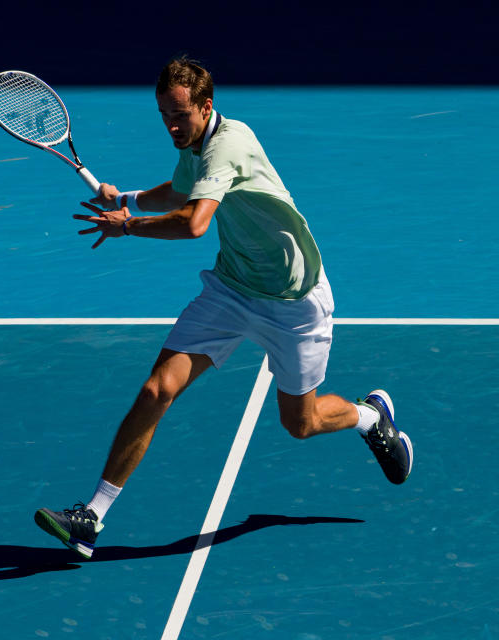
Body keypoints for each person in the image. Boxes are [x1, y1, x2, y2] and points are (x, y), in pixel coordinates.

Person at [34, 57, 413, 560]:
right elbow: (180, 188)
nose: (171, 125)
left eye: (180, 115)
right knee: (156, 389)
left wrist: (127, 226)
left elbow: (194, 223)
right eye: (164, 114)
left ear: (206, 106)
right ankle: (92, 517)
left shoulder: (230, 143)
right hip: (233, 289)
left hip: (294, 302)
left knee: (299, 424)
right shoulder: (195, 143)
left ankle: (369, 417)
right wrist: (126, 197)